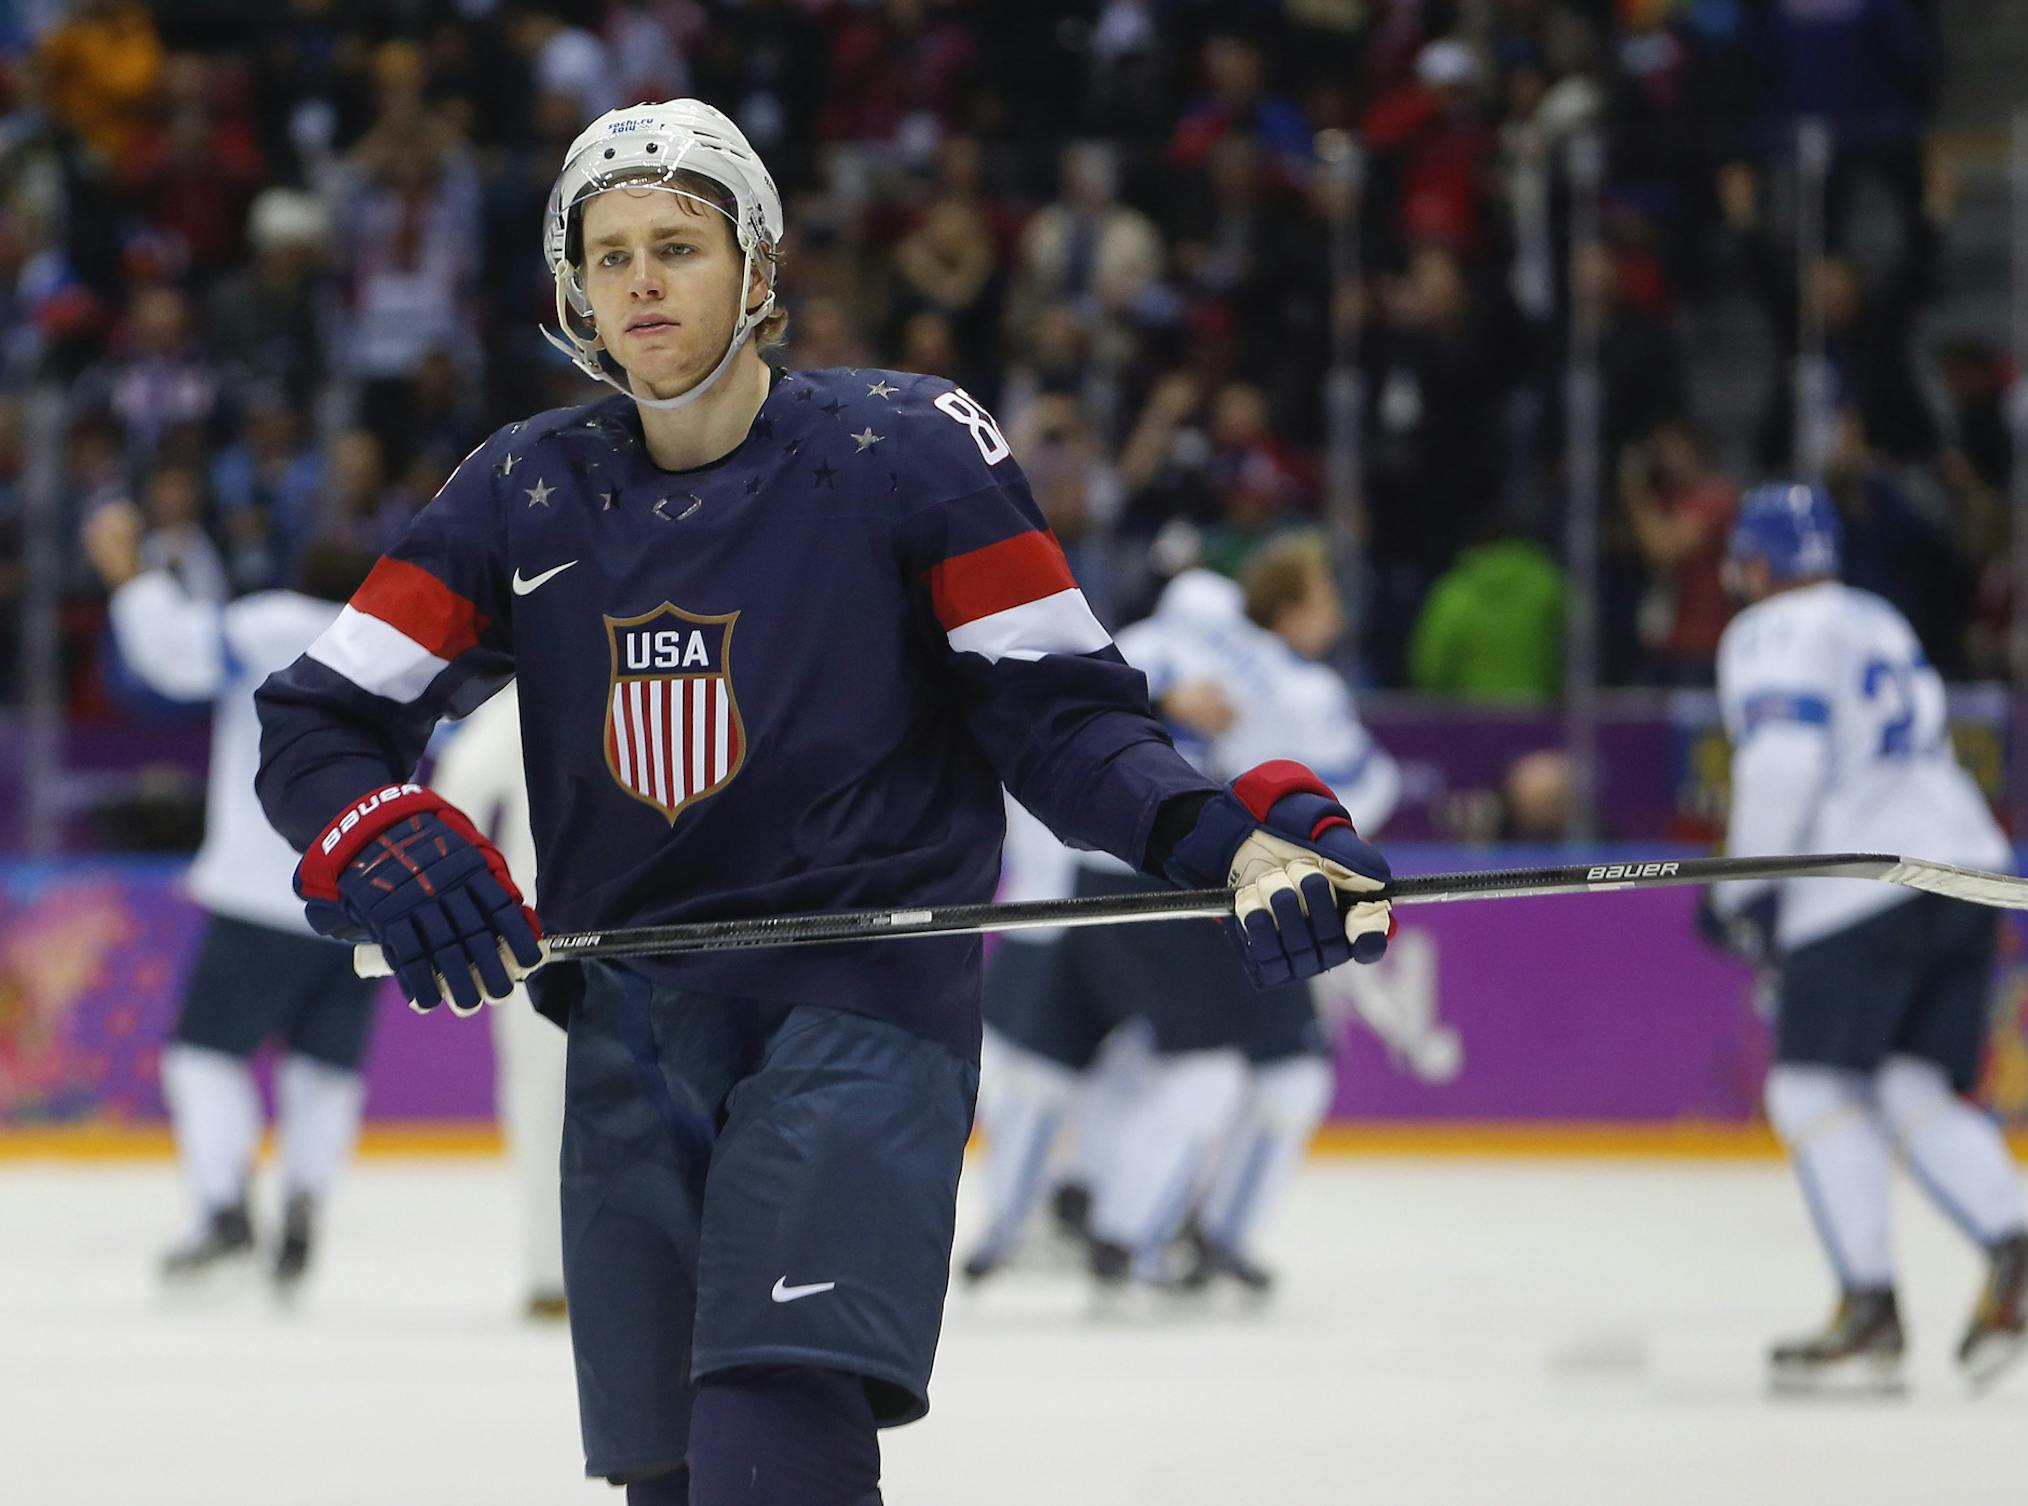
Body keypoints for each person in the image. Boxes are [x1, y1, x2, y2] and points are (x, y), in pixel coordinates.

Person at [253, 100, 1392, 1505]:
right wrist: (380, 827)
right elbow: (317, 719)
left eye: (678, 243)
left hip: (859, 1007)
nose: (641, 281)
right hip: (628, 1028)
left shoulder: (911, 449)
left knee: (768, 1442)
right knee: (672, 1482)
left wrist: (1222, 839)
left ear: (759, 269)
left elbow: (1063, 714)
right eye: (608, 256)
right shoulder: (519, 489)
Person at [1700, 483, 2028, 1394]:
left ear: (1756, 565)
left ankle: (1870, 1315)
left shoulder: (1768, 632)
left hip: (1865, 883)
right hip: (1966, 864)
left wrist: (1749, 889)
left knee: (1809, 1087)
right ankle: (2018, 1262)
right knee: (1909, 1080)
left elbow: (1783, 765)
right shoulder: (1875, 615)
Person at [968, 539, 1400, 1296]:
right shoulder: (1298, 690)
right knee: (1249, 1076)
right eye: (1325, 597)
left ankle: (1071, 1213)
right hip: (1207, 883)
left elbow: (1072, 737)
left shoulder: (1143, 637)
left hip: (1085, 878)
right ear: (1290, 609)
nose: (1335, 614)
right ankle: (1142, 1231)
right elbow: (1365, 791)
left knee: (1081, 1063)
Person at [81, 500, 378, 1293]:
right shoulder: (395, 648)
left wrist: (128, 573)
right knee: (325, 1070)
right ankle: (307, 1202)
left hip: (261, 888)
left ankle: (223, 1208)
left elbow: (172, 654)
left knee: (205, 1056)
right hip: (366, 898)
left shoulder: (270, 624)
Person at [425, 684, 567, 1320]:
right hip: (660, 928)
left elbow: (457, 796)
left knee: (544, 1104)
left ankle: (552, 1274)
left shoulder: (523, 699)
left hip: (542, 937)